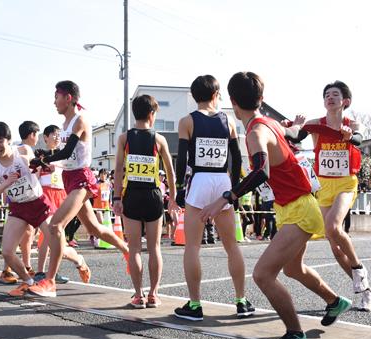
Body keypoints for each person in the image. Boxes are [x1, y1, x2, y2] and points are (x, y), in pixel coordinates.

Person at [201, 72, 351, 339]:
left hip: (299, 210)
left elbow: (260, 171)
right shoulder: (268, 123)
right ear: (262, 99)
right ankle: (334, 301)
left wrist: (226, 198)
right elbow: (296, 134)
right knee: (293, 268)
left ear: (232, 102)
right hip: (293, 207)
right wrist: (304, 129)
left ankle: (295, 335)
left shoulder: (256, 132)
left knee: (262, 274)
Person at [28, 80, 129, 297]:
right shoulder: (63, 126)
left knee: (56, 226)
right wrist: (44, 160)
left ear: (68, 98)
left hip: (82, 178)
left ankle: (49, 281)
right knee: (94, 229)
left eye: (57, 96)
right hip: (69, 177)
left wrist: (44, 159)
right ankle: (126, 249)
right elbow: (64, 158)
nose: (54, 101)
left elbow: (66, 153)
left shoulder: (79, 120)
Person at [173, 74, 255, 320]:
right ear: (215, 95)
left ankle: (195, 305)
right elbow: (237, 157)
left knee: (192, 247)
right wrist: (235, 188)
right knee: (231, 246)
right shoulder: (227, 120)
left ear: (194, 96)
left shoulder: (187, 121)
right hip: (221, 181)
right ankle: (241, 301)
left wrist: (178, 188)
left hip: (199, 181)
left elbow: (183, 159)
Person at [293, 81, 371, 311]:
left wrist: (349, 137)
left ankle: (358, 268)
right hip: (324, 186)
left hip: (346, 184)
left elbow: (358, 139)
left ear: (345, 102)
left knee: (332, 227)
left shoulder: (352, 124)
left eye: (335, 94)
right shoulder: (315, 125)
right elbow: (293, 137)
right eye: (327, 94)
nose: (330, 97)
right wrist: (293, 127)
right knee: (336, 248)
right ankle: (364, 289)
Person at [0, 121, 81, 297]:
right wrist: (5, 183)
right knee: (7, 252)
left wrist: (42, 169)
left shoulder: (24, 152)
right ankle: (29, 281)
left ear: (9, 140)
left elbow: (38, 167)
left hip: (38, 203)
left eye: (0, 140)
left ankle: (79, 261)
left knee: (58, 246)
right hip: (18, 208)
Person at [113, 94, 178, 308]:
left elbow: (119, 169)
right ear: (151, 114)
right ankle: (153, 294)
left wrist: (116, 197)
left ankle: (138, 294)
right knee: (155, 248)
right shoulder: (159, 139)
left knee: (135, 250)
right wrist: (173, 199)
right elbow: (170, 171)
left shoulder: (124, 138)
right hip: (152, 196)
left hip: (131, 195)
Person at [34, 124, 90, 284]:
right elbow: (35, 176)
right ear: (45, 137)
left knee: (57, 236)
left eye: (59, 135)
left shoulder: (66, 154)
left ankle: (54, 271)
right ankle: (39, 271)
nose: (57, 137)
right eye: (53, 135)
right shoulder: (41, 155)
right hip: (45, 194)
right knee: (45, 236)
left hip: (62, 194)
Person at [0, 120, 40, 284]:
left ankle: (22, 267)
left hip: (19, 197)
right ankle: (11, 269)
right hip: (25, 198)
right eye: (37, 134)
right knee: (21, 235)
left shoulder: (16, 149)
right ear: (33, 135)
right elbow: (33, 173)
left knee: (24, 234)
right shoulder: (24, 150)